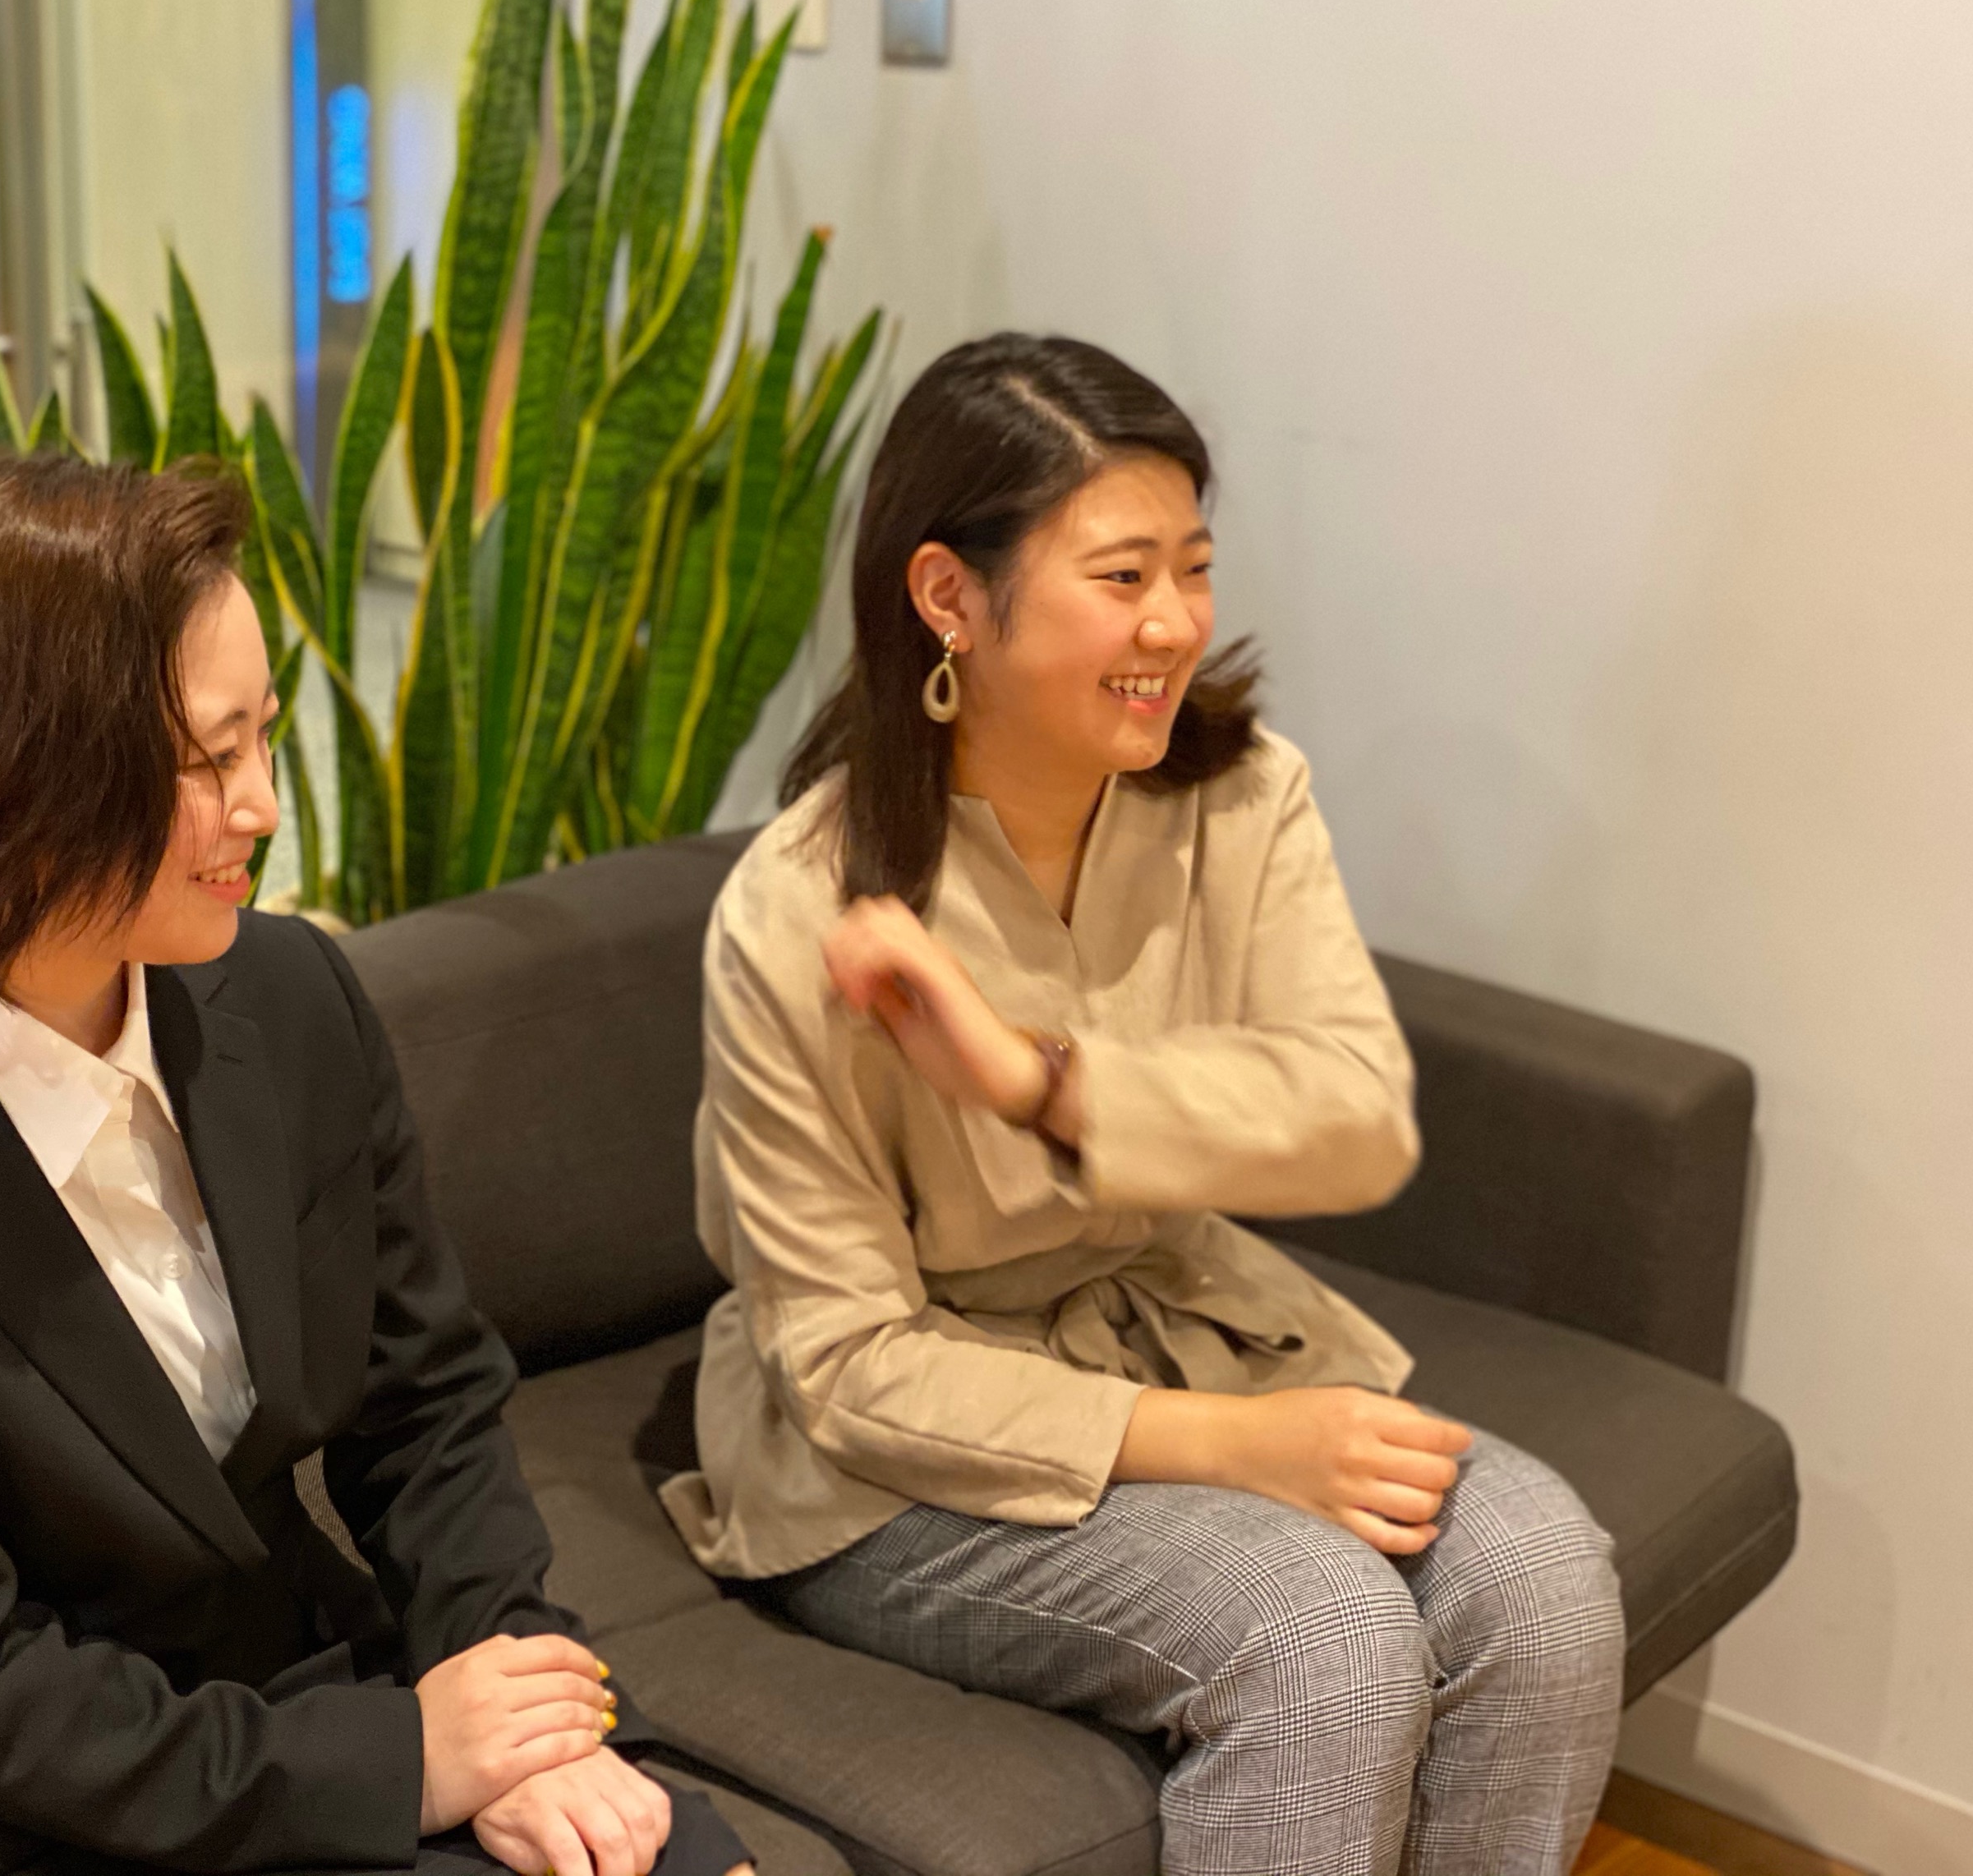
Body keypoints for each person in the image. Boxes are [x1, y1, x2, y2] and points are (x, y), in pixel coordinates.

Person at [0, 452, 749, 1876]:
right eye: (210, 760)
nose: (263, 804)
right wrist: (406, 1761)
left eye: (262, 737)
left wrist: (519, 1692)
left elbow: (425, 1406)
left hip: (289, 1683)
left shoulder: (287, 998)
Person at [660, 334, 1625, 1874]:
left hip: (1172, 1323)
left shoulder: (1239, 795)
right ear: (947, 597)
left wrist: (1042, 1085)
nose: (1173, 624)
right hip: (888, 1464)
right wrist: (1234, 1447)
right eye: (1121, 577)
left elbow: (1354, 1116)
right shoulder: (803, 912)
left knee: (1547, 1580)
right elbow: (848, 1369)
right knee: (1324, 1638)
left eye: (1195, 567)